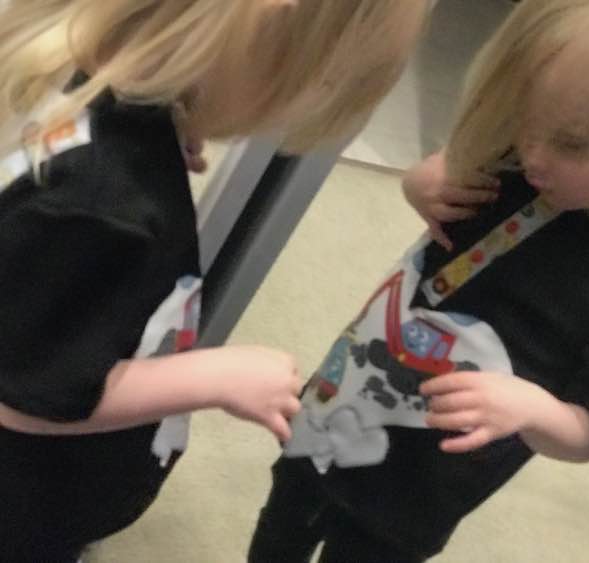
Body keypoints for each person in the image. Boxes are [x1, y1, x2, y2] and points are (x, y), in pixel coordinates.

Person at [247, 1, 589, 562]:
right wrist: (420, 184)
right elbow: (445, 176)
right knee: (284, 511)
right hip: (346, 395)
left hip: (418, 485)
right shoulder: (521, 162)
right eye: (527, 122)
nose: (532, 155)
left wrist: (533, 410)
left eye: (571, 142)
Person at [0, 1, 429, 561]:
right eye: (318, 81)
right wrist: (211, 378)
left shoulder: (103, 102)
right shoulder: (103, 207)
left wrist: (163, 131)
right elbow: (25, 393)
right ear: (264, 35)